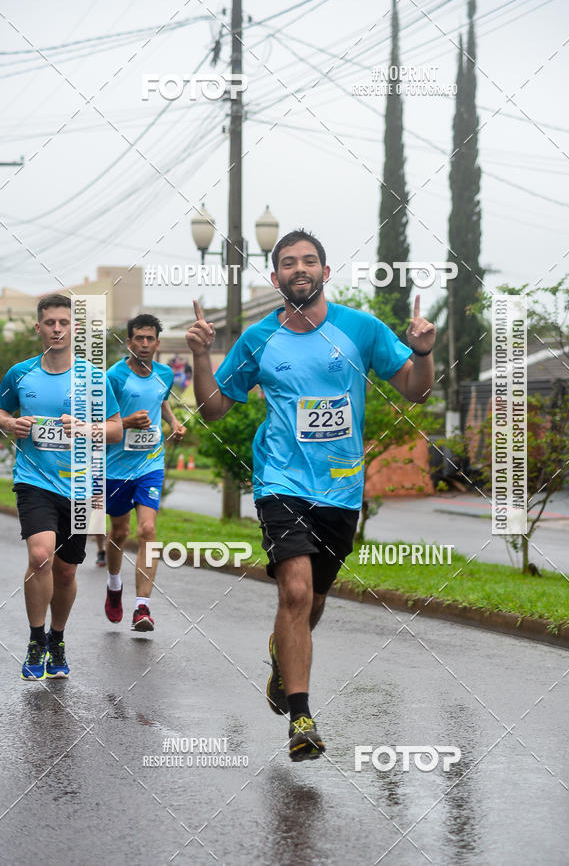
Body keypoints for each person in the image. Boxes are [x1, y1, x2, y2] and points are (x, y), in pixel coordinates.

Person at [185, 229, 435, 761]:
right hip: (280, 480)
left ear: (325, 271)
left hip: (342, 487)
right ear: (275, 278)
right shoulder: (257, 339)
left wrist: (424, 352)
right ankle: (301, 716)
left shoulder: (361, 329)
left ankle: (283, 662)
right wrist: (203, 358)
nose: (301, 268)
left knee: (314, 600)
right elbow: (213, 409)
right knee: (294, 593)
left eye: (310, 261)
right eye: (289, 263)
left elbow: (416, 388)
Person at [0, 294, 122, 680]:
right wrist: (9, 423)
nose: (57, 329)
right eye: (49, 322)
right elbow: (1, 411)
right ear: (38, 327)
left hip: (84, 484)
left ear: (75, 328)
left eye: (63, 323)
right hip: (34, 479)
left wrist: (87, 428)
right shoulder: (19, 374)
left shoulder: (95, 378)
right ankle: (36, 639)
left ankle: (58, 638)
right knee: (40, 556)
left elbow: (117, 429)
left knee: (67, 572)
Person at [103, 315, 186, 632]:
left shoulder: (165, 374)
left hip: (150, 463)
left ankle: (142, 608)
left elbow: (161, 402)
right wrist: (125, 423)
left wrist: (173, 423)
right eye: (139, 338)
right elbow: (101, 422)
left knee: (148, 531)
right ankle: (114, 585)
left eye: (150, 339)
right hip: (116, 467)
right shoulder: (114, 377)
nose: (145, 344)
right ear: (129, 342)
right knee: (120, 532)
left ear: (158, 343)